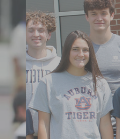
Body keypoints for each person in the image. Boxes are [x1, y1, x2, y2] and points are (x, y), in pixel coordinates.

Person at [30, 31, 113, 139]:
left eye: (85, 50)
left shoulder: (100, 84)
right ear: (67, 51)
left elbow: (105, 124)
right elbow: (43, 124)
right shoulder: (48, 82)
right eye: (75, 49)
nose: (81, 54)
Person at [21, 10, 62, 139]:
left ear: (49, 34)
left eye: (41, 30)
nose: (36, 34)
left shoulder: (60, 65)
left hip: (53, 133)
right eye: (31, 30)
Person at [82, 0, 120, 87]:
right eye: (94, 14)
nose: (99, 18)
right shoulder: (81, 49)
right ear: (87, 17)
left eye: (103, 13)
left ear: (112, 15)